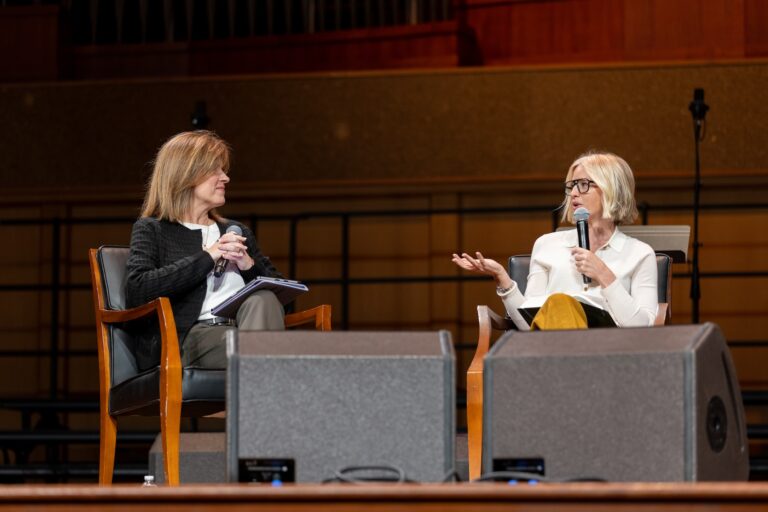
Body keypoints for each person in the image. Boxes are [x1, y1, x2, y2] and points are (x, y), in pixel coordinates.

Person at [125, 130, 285, 370]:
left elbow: (282, 302)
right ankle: (264, 396)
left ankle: (254, 396)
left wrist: (249, 267)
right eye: (215, 170)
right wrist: (210, 255)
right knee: (271, 351)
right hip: (189, 338)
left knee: (264, 299)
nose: (225, 178)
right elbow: (138, 289)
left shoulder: (236, 230)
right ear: (185, 175)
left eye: (224, 170)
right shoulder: (152, 229)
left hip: (244, 332)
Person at [452, 151, 658, 329]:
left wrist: (604, 274)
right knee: (560, 304)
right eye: (572, 185)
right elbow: (529, 326)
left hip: (610, 355)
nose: (574, 193)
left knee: (561, 305)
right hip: (552, 351)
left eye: (584, 184)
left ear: (612, 189)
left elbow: (642, 327)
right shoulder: (547, 245)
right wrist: (502, 279)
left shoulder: (640, 253)